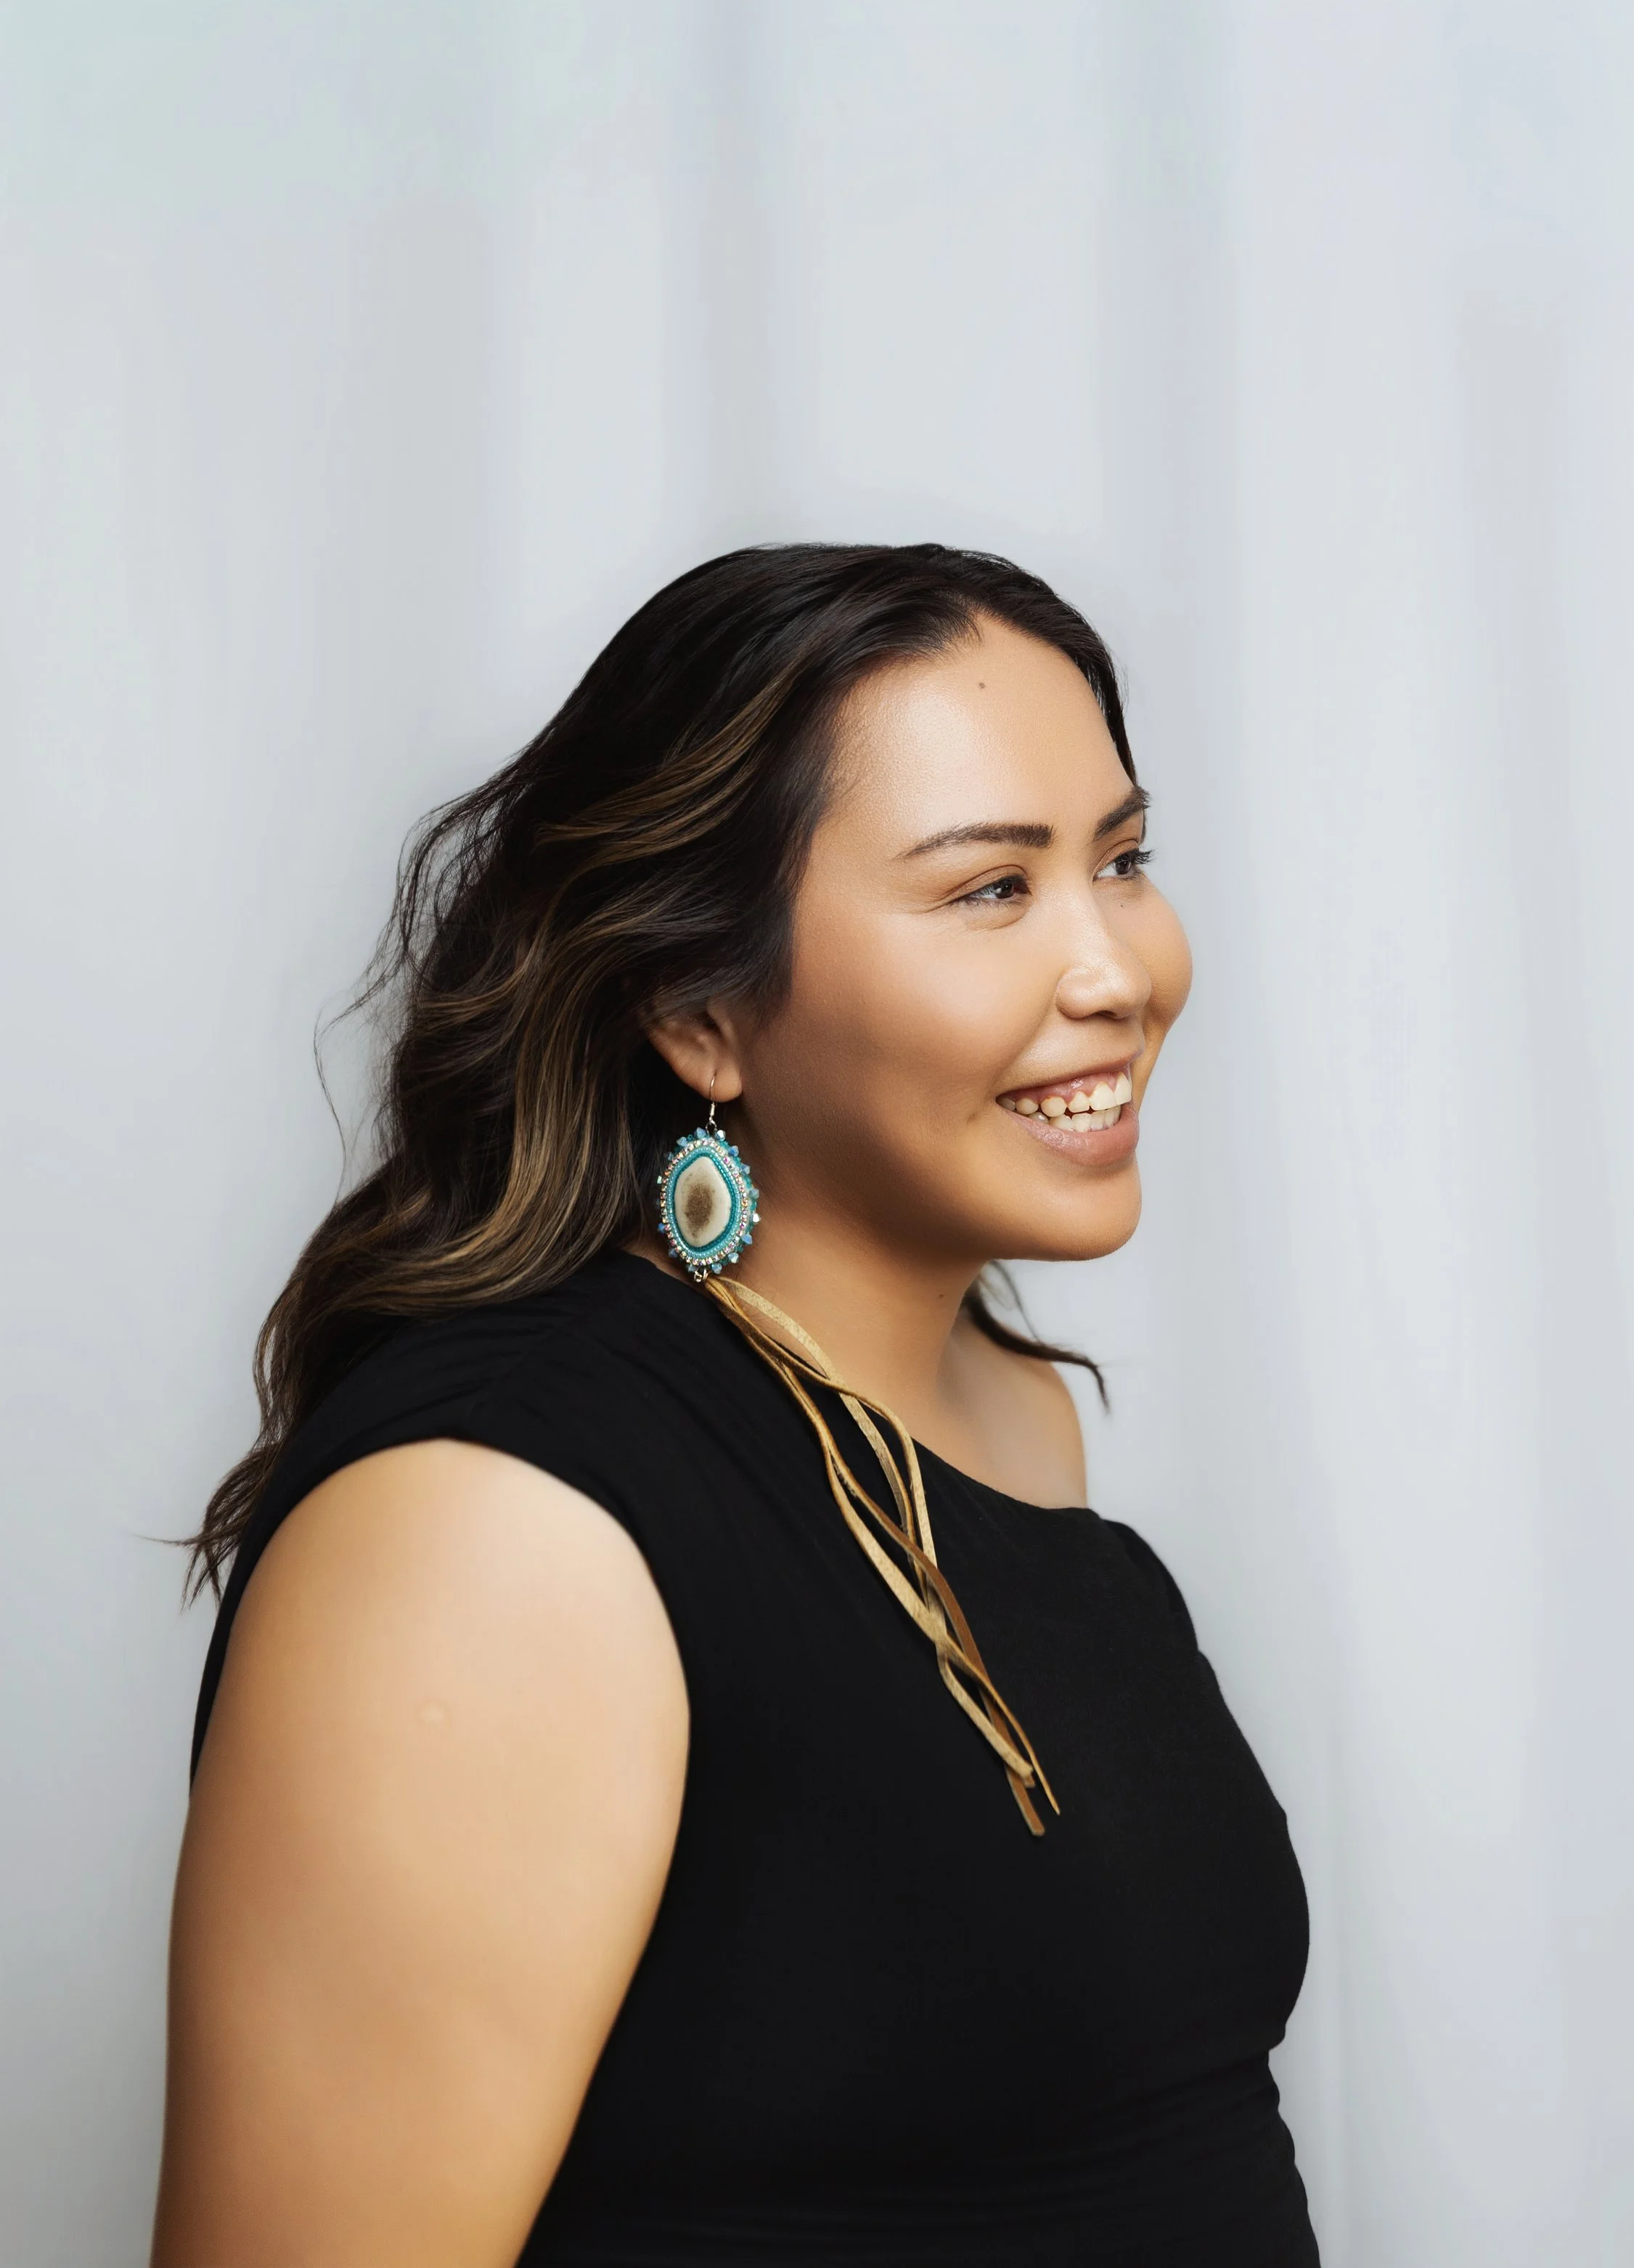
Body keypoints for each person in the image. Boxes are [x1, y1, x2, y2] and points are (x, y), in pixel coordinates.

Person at [152, 543, 1320, 2266]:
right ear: (701, 1010)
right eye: (989, 890)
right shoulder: (492, 1527)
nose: (1118, 969)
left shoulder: (1001, 1414)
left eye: (1121, 860)